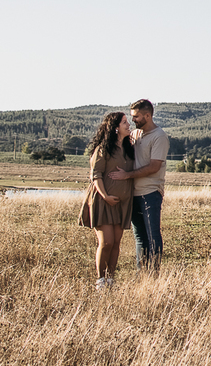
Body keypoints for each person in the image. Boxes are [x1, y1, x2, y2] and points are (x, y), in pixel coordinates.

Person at [109, 99, 169, 273]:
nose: (133, 120)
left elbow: (154, 167)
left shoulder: (159, 137)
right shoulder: (135, 134)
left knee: (152, 235)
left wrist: (126, 175)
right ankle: (141, 273)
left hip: (150, 192)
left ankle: (153, 273)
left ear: (147, 116)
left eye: (136, 116)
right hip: (133, 193)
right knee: (140, 237)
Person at [79, 111, 134, 289]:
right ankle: (100, 280)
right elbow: (96, 175)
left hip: (121, 203)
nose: (128, 125)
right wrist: (105, 196)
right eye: (124, 122)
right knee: (106, 242)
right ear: (115, 128)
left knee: (116, 243)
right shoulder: (103, 149)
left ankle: (111, 278)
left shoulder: (128, 148)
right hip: (103, 202)